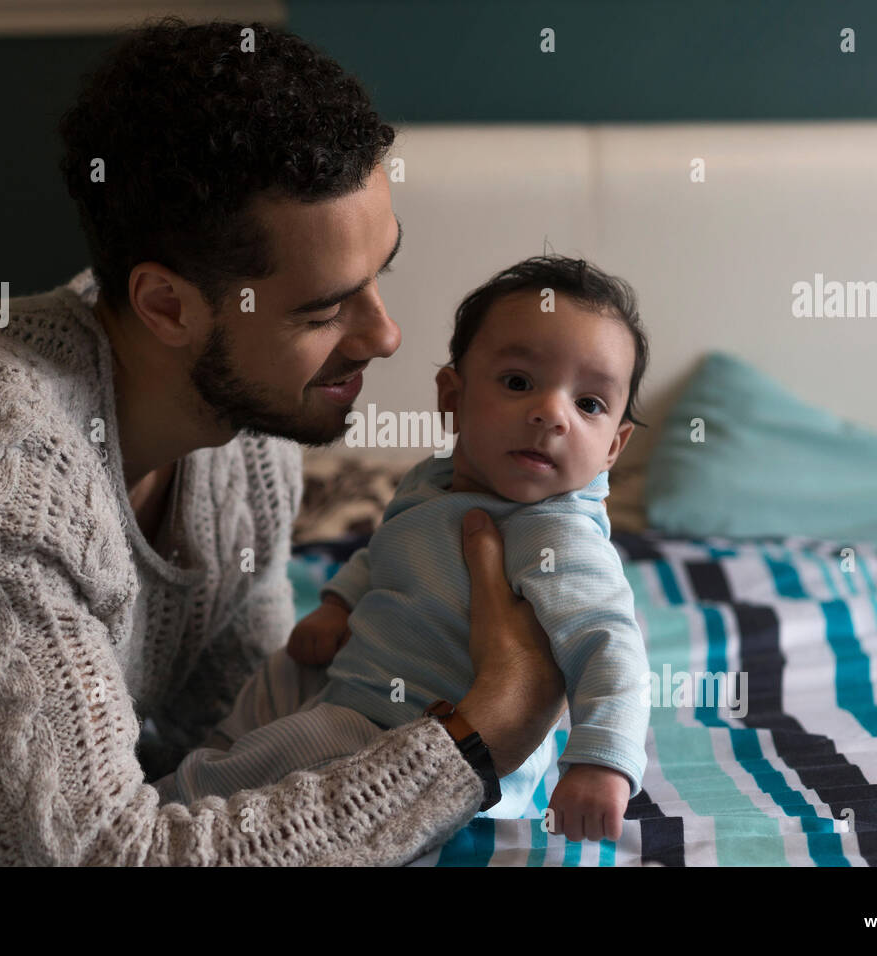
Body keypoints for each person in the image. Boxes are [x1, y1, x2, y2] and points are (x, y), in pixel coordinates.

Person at [0, 18, 565, 866]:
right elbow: (104, 859)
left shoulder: (249, 438)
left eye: (379, 277)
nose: (385, 336)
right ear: (167, 307)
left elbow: (229, 753)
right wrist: (474, 738)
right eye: (323, 310)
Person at [171, 256, 652, 842]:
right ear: (452, 396)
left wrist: (602, 763)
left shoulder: (558, 533)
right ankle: (222, 747)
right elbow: (386, 553)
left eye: (590, 404)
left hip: (426, 742)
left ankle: (189, 793)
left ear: (613, 448)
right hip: (358, 686)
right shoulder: (432, 480)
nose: (551, 413)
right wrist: (337, 605)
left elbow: (611, 646)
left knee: (307, 741)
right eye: (518, 382)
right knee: (286, 669)